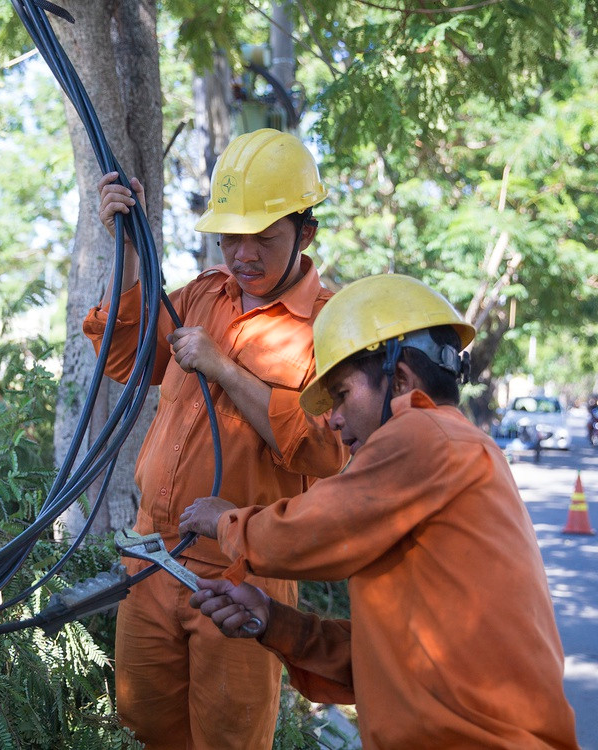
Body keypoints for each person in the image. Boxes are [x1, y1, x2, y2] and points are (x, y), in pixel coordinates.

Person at [179, 274, 580, 750]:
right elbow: (381, 660)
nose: (332, 419)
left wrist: (227, 521)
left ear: (402, 379)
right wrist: (273, 620)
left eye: (342, 395)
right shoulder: (445, 459)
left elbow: (305, 533)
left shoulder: (425, 434)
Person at [82, 129, 348, 749]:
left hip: (242, 576)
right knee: (143, 732)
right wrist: (123, 244)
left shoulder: (329, 328)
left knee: (228, 742)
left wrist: (224, 368)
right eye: (231, 234)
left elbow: (322, 450)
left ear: (304, 235)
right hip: (150, 559)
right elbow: (122, 356)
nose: (243, 252)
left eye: (263, 237)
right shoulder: (203, 295)